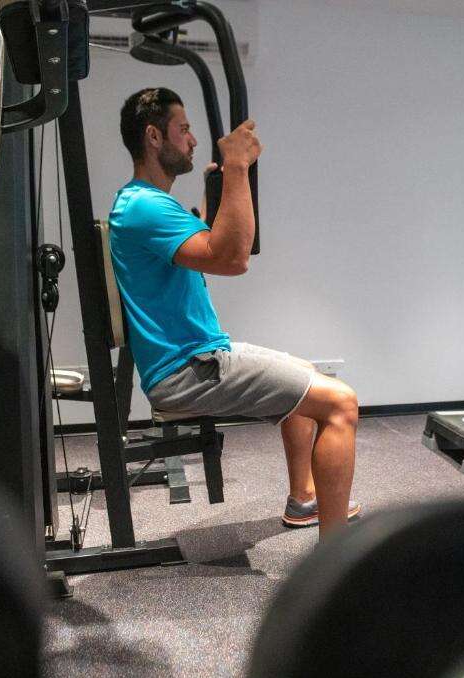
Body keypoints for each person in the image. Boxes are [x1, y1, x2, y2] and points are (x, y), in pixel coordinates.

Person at [110, 87, 360, 536]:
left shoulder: (144, 203)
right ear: (153, 136)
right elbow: (232, 258)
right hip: (189, 369)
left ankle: (304, 498)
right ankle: (336, 557)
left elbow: (207, 240)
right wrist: (239, 168)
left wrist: (221, 188)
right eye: (183, 129)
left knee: (308, 376)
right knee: (341, 403)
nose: (192, 140)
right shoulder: (145, 206)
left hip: (197, 358)